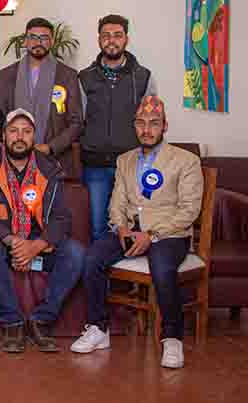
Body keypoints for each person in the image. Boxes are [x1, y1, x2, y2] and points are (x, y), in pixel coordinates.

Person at [71, 96, 201, 369]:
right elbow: (117, 202)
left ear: (165, 126)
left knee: (162, 267)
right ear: (134, 126)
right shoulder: (125, 160)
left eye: (154, 123)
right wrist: (120, 227)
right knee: (92, 257)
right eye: (141, 123)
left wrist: (151, 235)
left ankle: (172, 337)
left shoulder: (186, 160)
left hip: (169, 234)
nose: (147, 129)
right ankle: (98, 328)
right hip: (130, 230)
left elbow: (189, 211)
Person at [0, 109, 86, 354]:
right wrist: (12, 240)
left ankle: (41, 320)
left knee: (76, 252)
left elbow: (62, 218)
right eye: (13, 131)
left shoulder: (49, 168)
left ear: (35, 136)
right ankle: (12, 323)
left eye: (26, 131)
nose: (19, 137)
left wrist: (36, 245)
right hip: (3, 243)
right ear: (4, 136)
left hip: (39, 244)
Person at [78, 15, 157, 241]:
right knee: (98, 228)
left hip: (132, 164)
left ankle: (127, 265)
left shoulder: (143, 77)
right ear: (99, 40)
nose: (111, 40)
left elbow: (151, 121)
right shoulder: (84, 77)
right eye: (106, 36)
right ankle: (101, 265)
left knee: (131, 226)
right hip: (95, 166)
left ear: (126, 39)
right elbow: (79, 119)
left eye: (117, 35)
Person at [0, 18, 84, 178]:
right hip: (14, 158)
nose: (38, 42)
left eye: (44, 38)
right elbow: (1, 116)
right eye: (33, 37)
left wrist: (51, 147)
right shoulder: (7, 75)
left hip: (54, 161)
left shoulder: (67, 75)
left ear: (52, 41)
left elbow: (76, 122)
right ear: (25, 41)